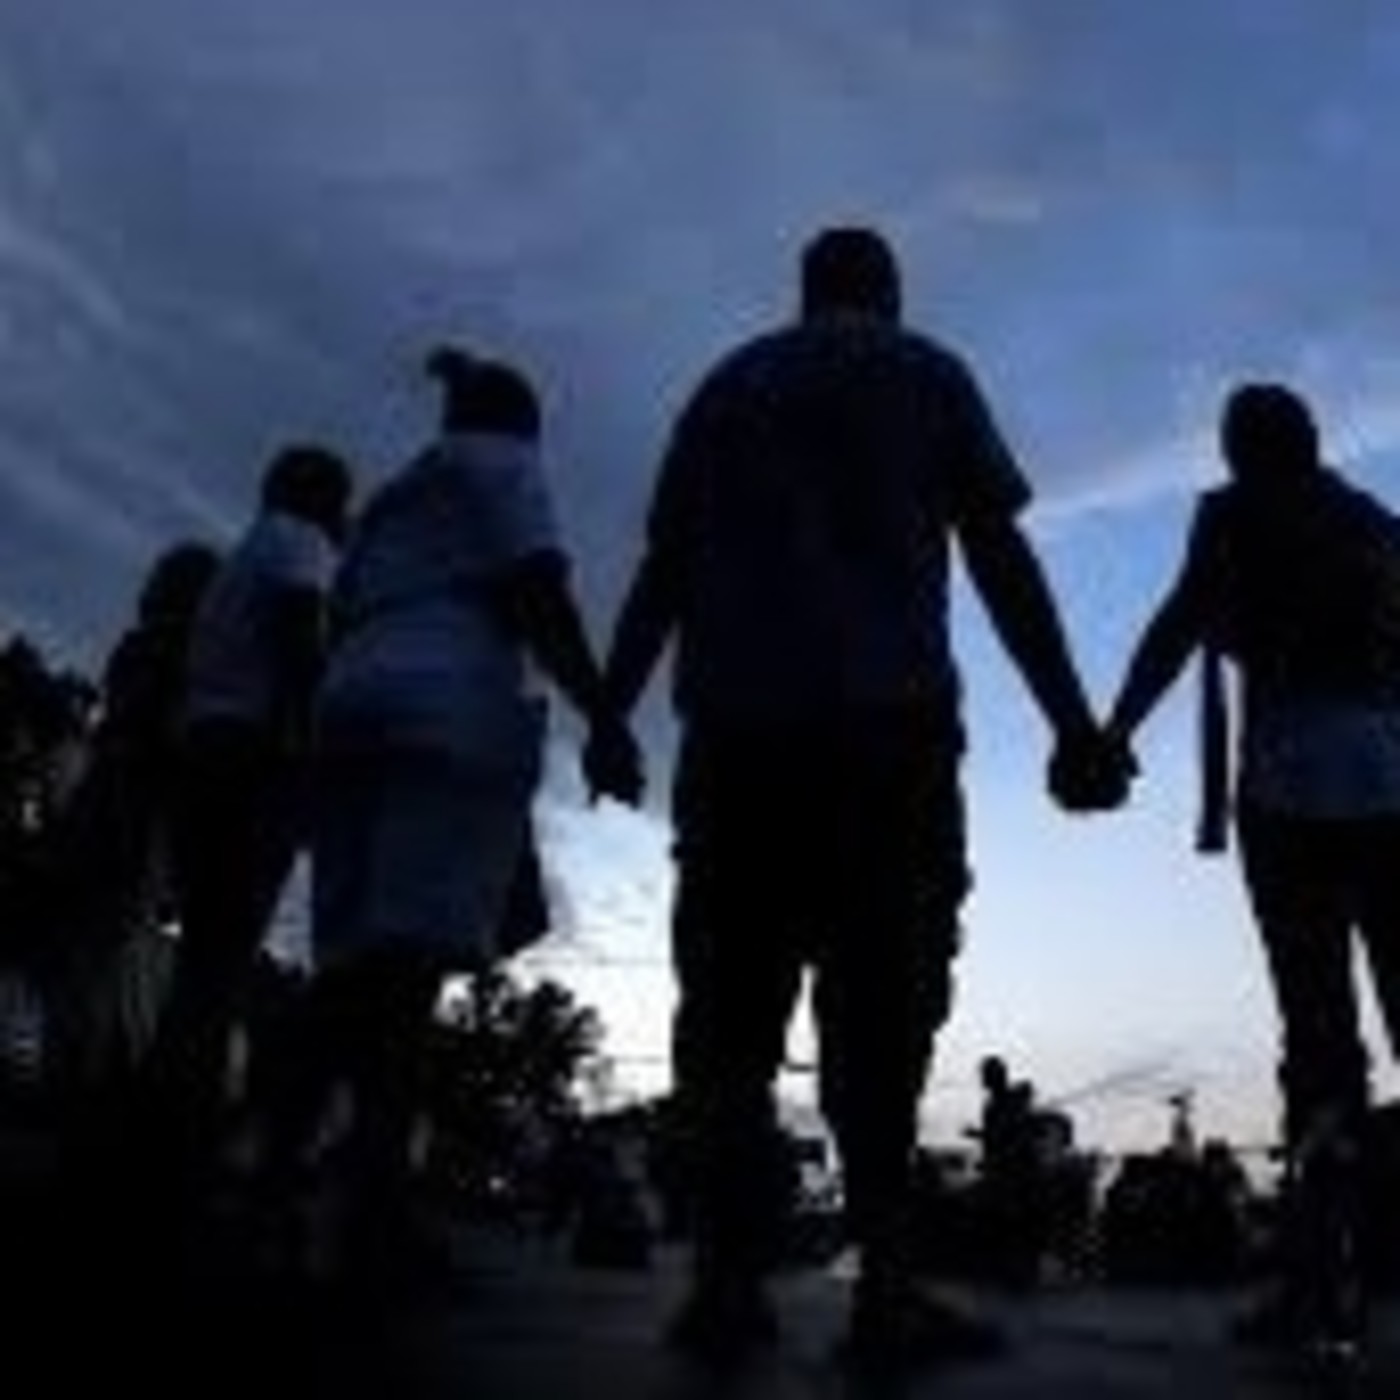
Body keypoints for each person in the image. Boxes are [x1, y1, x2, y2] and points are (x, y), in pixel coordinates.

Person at [594, 225, 1123, 1365]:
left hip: (736, 741)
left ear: (804, 291)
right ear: (886, 293)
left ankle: (725, 1283)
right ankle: (884, 1290)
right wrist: (1072, 722)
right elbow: (996, 555)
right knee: (882, 1011)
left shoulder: (727, 386)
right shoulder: (925, 371)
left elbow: (664, 568)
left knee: (727, 1016)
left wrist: (606, 710)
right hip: (883, 740)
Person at [262, 349, 638, 1285]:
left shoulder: (394, 498)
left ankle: (285, 1175)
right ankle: (374, 1211)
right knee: (400, 973)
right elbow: (536, 591)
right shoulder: (504, 465)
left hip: (348, 710)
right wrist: (603, 713)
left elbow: (334, 620)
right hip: (442, 710)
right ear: (521, 423)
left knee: (352, 961)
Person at [1106, 381, 1400, 1354]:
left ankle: (1314, 1286)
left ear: (1236, 450)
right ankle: (1338, 1278)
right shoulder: (1370, 521)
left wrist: (1110, 728)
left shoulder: (1231, 517)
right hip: (1388, 778)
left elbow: (1176, 623)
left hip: (1286, 788)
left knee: (1318, 1040)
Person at [137, 444, 353, 1199]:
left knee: (204, 956)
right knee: (223, 955)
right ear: (323, 499)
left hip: (209, 752)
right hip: (252, 758)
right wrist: (309, 737)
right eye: (342, 503)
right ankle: (179, 1140)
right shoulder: (302, 544)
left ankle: (157, 1122)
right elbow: (301, 631)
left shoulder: (244, 556)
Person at [39, 541, 221, 1136]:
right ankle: (73, 1091)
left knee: (84, 954)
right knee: (100, 956)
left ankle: (67, 1082)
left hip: (105, 805)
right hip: (134, 817)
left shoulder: (139, 649)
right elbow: (169, 744)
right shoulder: (179, 660)